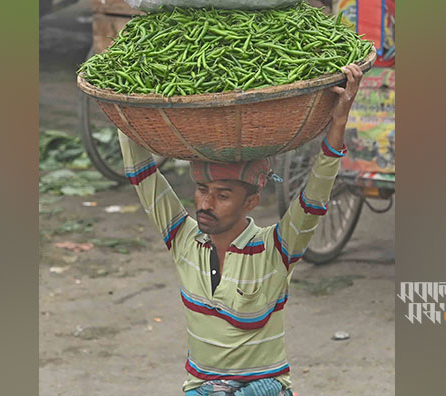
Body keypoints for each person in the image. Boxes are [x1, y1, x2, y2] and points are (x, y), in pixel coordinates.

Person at [118, 64, 364, 395]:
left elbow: (313, 199)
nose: (205, 203)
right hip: (202, 388)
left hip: (263, 388)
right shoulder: (184, 240)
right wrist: (121, 100)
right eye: (202, 189)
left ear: (250, 202)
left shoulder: (275, 250)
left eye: (222, 195)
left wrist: (338, 122)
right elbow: (142, 175)